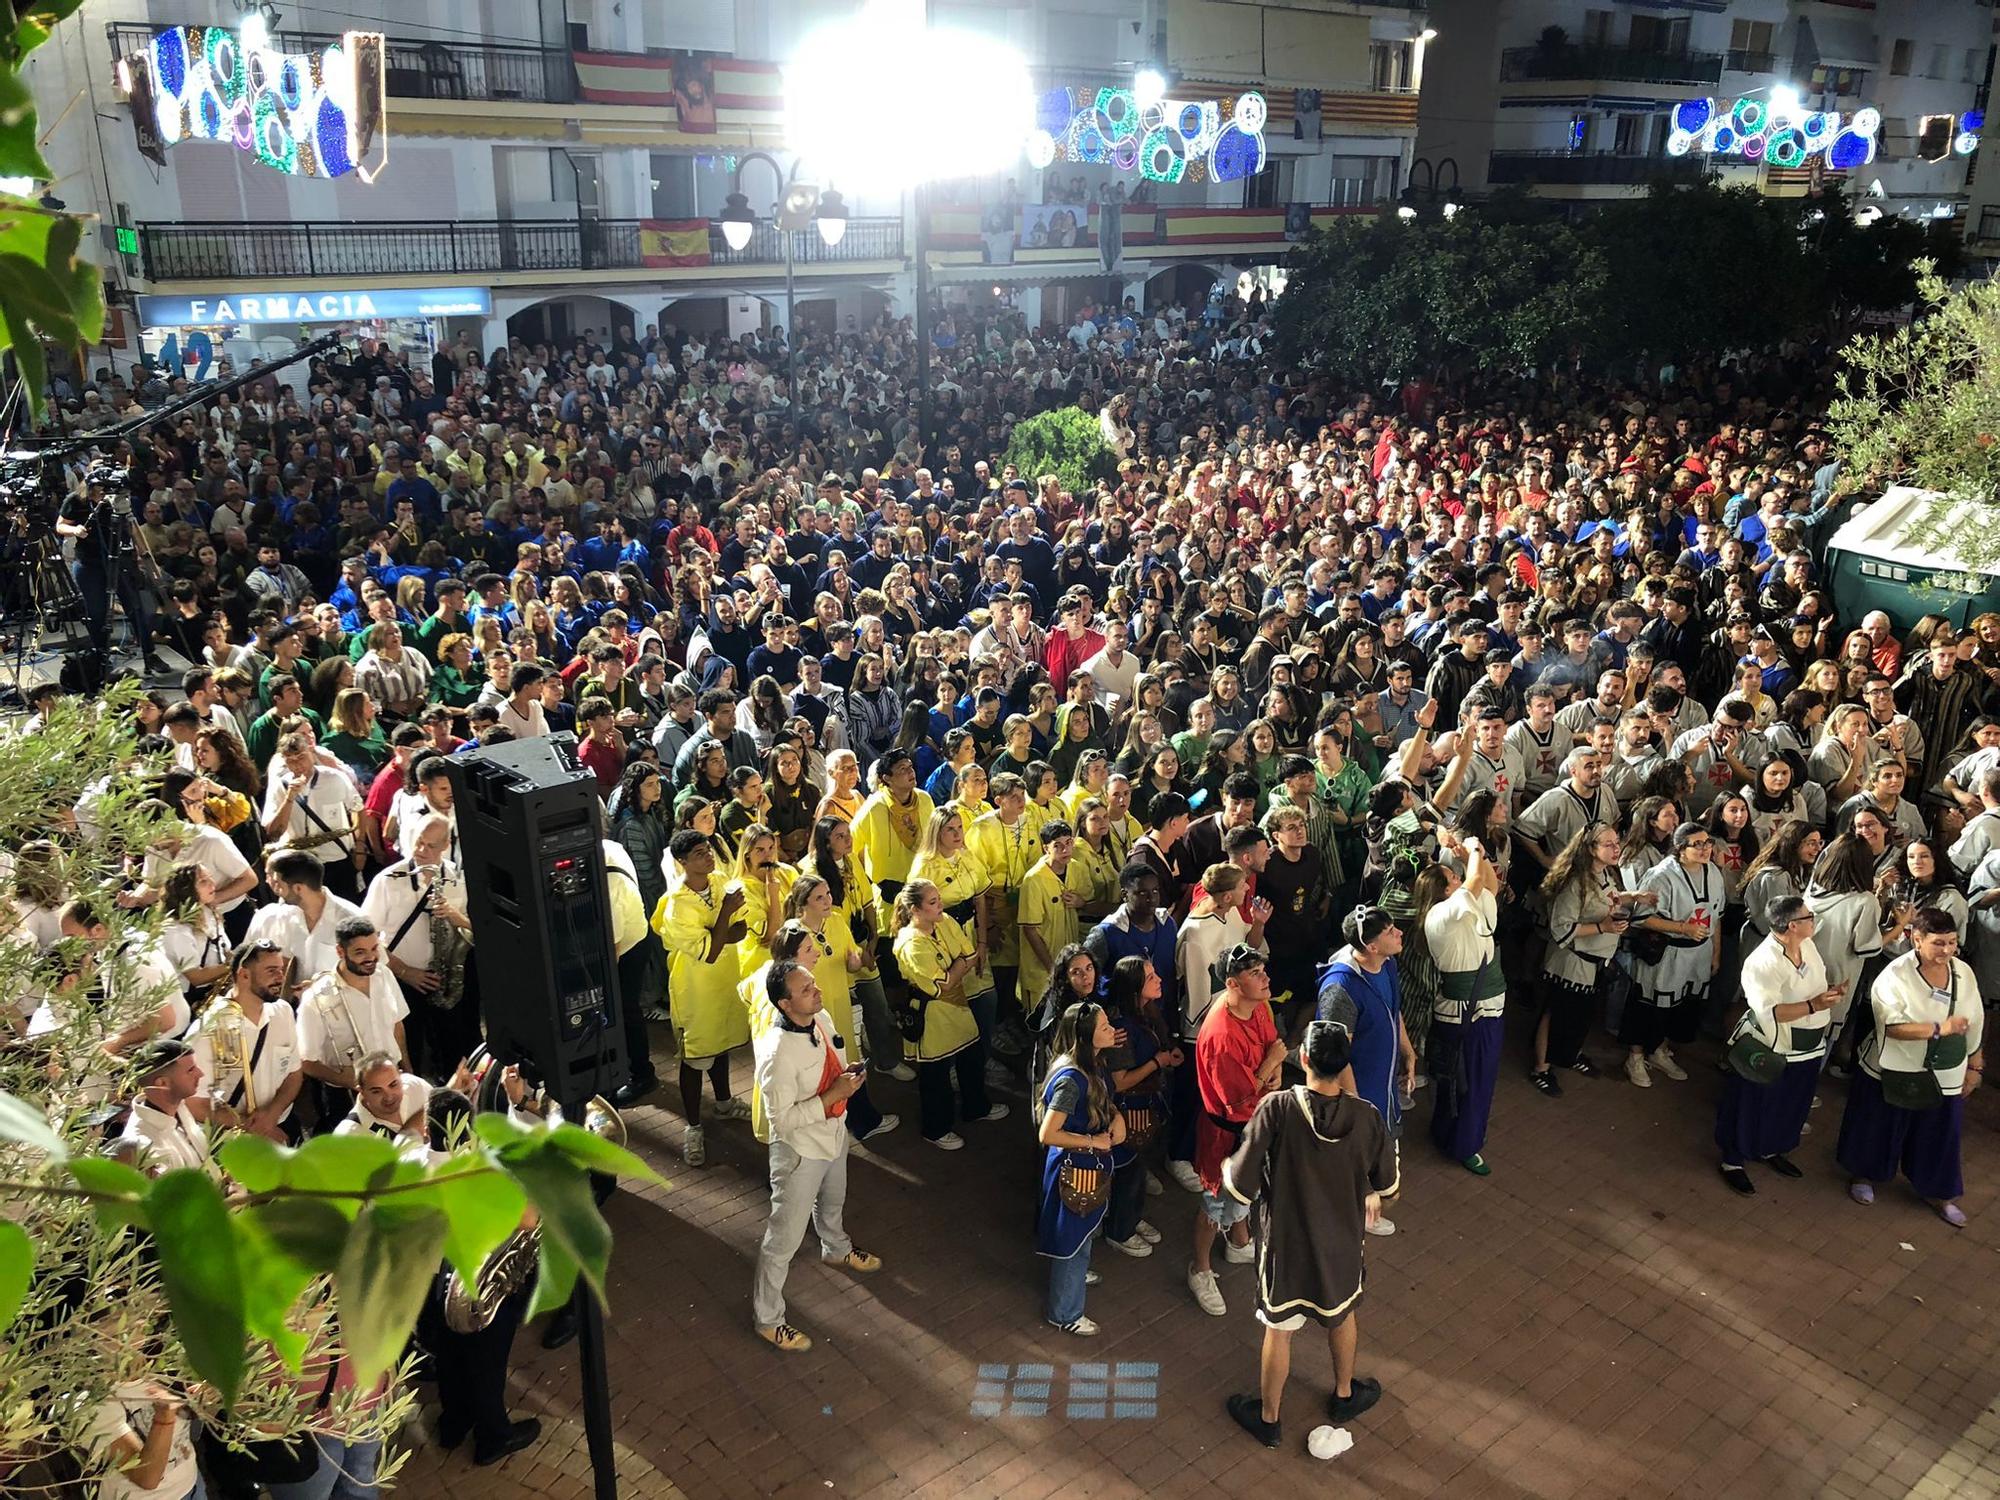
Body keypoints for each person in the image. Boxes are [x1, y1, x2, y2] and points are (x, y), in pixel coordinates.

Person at [1222, 1020, 1397, 1450]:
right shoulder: (1368, 1116)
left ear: (1304, 1060)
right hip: (1341, 1245)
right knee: (1342, 1314)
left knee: (1278, 1328)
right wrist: (1373, 1199)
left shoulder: (1276, 1108)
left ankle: (1268, 1419)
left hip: (1286, 1245)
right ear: (1344, 1064)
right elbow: (1388, 1190)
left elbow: (1239, 1186)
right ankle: (1343, 1396)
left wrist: (1226, 1167)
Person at [749, 959, 883, 1352]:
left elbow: (835, 1060)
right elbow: (783, 1122)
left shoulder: (820, 1017)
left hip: (833, 1132)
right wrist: (833, 1097)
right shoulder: (776, 1053)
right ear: (785, 1005)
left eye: (813, 984)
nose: (817, 991)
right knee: (783, 1239)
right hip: (799, 1152)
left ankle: (836, 1248)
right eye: (806, 989)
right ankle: (768, 1318)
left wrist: (851, 1078)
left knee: (834, 1197)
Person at [1837, 907, 1985, 1226]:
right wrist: (1938, 1029)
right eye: (1938, 944)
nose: (1947, 951)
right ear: (1916, 939)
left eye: (1951, 943)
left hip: (1944, 1071)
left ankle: (1939, 1192)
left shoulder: (1963, 973)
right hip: (1894, 1068)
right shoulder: (1895, 975)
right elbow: (1891, 1026)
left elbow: (1974, 1020)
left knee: (1941, 1135)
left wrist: (1975, 1064)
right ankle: (1864, 1175)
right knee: (1878, 1126)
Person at [1716, 896, 1840, 1197]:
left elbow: (1816, 984)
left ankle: (1771, 1148)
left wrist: (1827, 997)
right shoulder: (1762, 962)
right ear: (1793, 925)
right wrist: (1814, 1004)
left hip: (1807, 1044)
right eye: (1809, 917)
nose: (1814, 920)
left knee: (1791, 1101)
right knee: (1750, 1102)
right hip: (1771, 1044)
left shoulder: (1807, 945)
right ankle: (1732, 1161)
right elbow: (1769, 1012)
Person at [1187, 944, 1284, 1319]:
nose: (1265, 978)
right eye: (1255, 973)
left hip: (1253, 1123)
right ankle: (1200, 1268)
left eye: (1263, 969)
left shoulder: (1256, 1005)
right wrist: (1272, 1066)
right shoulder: (1222, 1036)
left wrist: (1272, 1068)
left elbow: (1272, 1044)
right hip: (1225, 1134)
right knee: (1213, 1204)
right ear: (1232, 983)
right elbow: (1239, 1097)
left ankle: (1239, 1241)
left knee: (1249, 1188)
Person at [653, 828, 752, 1165]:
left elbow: (741, 929)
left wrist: (718, 931)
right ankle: (693, 1125)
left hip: (724, 981)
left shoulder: (720, 878)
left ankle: (724, 1103)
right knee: (695, 1056)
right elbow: (708, 953)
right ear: (682, 862)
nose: (708, 856)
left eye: (708, 849)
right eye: (699, 853)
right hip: (694, 988)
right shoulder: (678, 905)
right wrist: (724, 915)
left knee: (720, 1041)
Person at [1314, 906, 1412, 1234]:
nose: (1398, 933)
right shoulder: (1342, 987)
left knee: (1377, 1153)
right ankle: (1351, 1213)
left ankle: (1362, 1206)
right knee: (1354, 1155)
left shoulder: (1387, 965)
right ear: (1370, 946)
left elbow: (1393, 1010)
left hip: (1382, 1086)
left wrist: (1407, 1050)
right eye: (1389, 932)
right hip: (1359, 1092)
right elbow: (1335, 1054)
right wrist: (1354, 1102)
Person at [891, 878, 1006, 1147]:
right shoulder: (911, 944)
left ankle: (975, 1107)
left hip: (956, 1006)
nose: (940, 904)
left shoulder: (944, 922)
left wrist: (957, 967)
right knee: (936, 1075)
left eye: (938, 899)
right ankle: (936, 1129)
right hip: (932, 1015)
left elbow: (969, 955)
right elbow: (940, 986)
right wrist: (959, 965)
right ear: (915, 910)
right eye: (933, 902)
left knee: (971, 1057)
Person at [1035, 999, 1126, 1336]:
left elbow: (1101, 1098)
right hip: (1074, 1169)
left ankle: (1073, 1272)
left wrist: (1114, 1116)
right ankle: (1065, 1312)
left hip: (1086, 1167)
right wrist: (1094, 1143)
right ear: (1086, 1038)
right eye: (1104, 1027)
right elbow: (1049, 1132)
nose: (1111, 1030)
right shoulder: (1071, 1079)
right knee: (1072, 1232)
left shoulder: (1091, 1063)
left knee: (1080, 1231)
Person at [1423, 835, 1504, 1174]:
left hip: (1486, 1007)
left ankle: (1449, 1133)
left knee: (1467, 1081)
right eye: (1451, 878)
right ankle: (1464, 1144)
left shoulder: (1465, 906)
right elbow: (1472, 882)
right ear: (1444, 890)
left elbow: (1489, 884)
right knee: (1470, 1082)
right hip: (1467, 1013)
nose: (1459, 878)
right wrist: (1472, 850)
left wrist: (1477, 858)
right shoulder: (1442, 914)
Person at [1623, 823, 1722, 1089]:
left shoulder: (1712, 871)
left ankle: (1659, 1050)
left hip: (1697, 954)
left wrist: (1715, 952)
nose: (1705, 849)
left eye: (1708, 842)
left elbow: (1716, 916)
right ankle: (1635, 1056)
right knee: (1648, 1007)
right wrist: (1683, 928)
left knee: (1678, 1009)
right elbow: (1642, 919)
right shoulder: (1661, 876)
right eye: (1697, 844)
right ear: (1680, 849)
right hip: (1668, 952)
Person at [1536, 822, 1630, 1090]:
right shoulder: (1574, 882)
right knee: (1555, 1014)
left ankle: (1571, 1052)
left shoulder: (1606, 874)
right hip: (1572, 963)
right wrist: (1603, 927)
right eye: (1608, 844)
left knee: (1580, 1016)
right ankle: (1541, 1068)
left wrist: (1635, 897)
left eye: (1617, 842)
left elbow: (1608, 900)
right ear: (1590, 849)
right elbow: (1561, 928)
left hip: (1596, 962)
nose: (1616, 848)